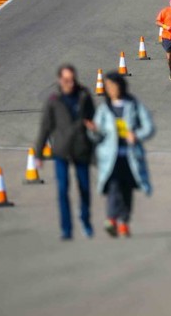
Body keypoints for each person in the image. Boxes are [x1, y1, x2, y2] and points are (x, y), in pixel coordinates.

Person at [35, 65, 96, 240]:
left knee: (84, 188)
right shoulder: (54, 100)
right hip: (61, 150)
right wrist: (39, 154)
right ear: (59, 80)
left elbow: (94, 117)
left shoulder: (84, 95)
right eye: (66, 80)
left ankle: (85, 220)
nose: (70, 83)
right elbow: (45, 127)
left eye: (72, 79)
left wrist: (93, 125)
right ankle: (66, 229)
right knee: (62, 190)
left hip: (81, 147)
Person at [94, 72, 155, 239]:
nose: (112, 90)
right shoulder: (104, 109)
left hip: (130, 156)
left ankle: (124, 222)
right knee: (113, 187)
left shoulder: (133, 105)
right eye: (108, 87)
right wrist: (93, 130)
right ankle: (111, 219)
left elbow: (149, 127)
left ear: (121, 86)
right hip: (110, 158)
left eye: (114, 86)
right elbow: (96, 134)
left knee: (126, 190)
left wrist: (136, 135)